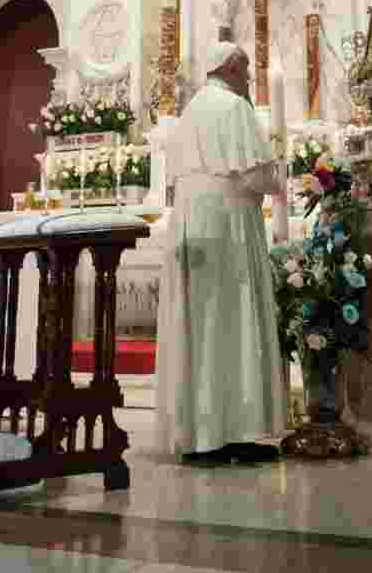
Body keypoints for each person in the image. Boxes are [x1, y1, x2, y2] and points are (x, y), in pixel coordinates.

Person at [154, 40, 288, 466]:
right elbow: (254, 176)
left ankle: (200, 434)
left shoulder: (191, 110)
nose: (248, 79)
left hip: (192, 220)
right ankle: (239, 431)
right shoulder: (234, 108)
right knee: (231, 321)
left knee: (201, 325)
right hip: (227, 224)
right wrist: (279, 176)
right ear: (230, 69)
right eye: (245, 71)